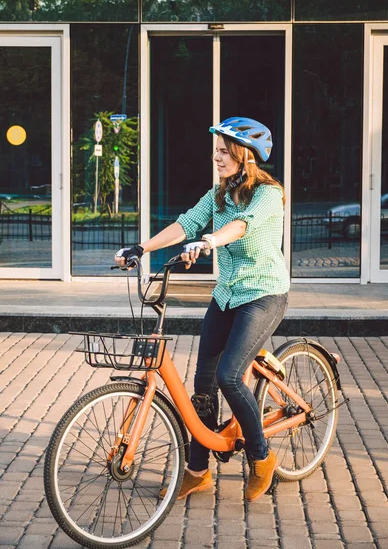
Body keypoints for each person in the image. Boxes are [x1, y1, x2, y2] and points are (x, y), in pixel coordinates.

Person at [115, 116, 290, 502]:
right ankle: (197, 472)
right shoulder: (218, 195)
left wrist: (210, 240)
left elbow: (242, 227)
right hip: (226, 294)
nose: (218, 157)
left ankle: (261, 457)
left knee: (229, 376)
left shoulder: (268, 194)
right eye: (216, 151)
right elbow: (185, 224)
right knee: (203, 386)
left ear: (246, 156)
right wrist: (141, 249)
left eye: (225, 152)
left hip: (263, 294)